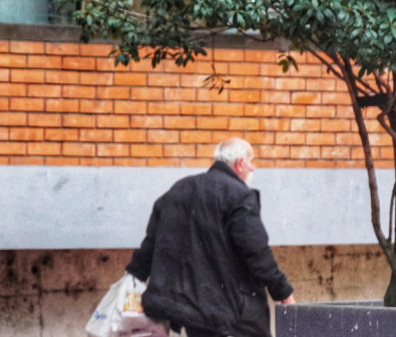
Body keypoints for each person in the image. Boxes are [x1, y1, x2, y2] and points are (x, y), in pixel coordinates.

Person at [126, 137, 295, 337]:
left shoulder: (179, 189)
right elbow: (257, 252)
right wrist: (283, 292)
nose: (252, 168)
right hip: (234, 310)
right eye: (251, 161)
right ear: (240, 163)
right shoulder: (239, 195)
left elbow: (152, 243)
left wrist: (133, 276)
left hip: (192, 310)